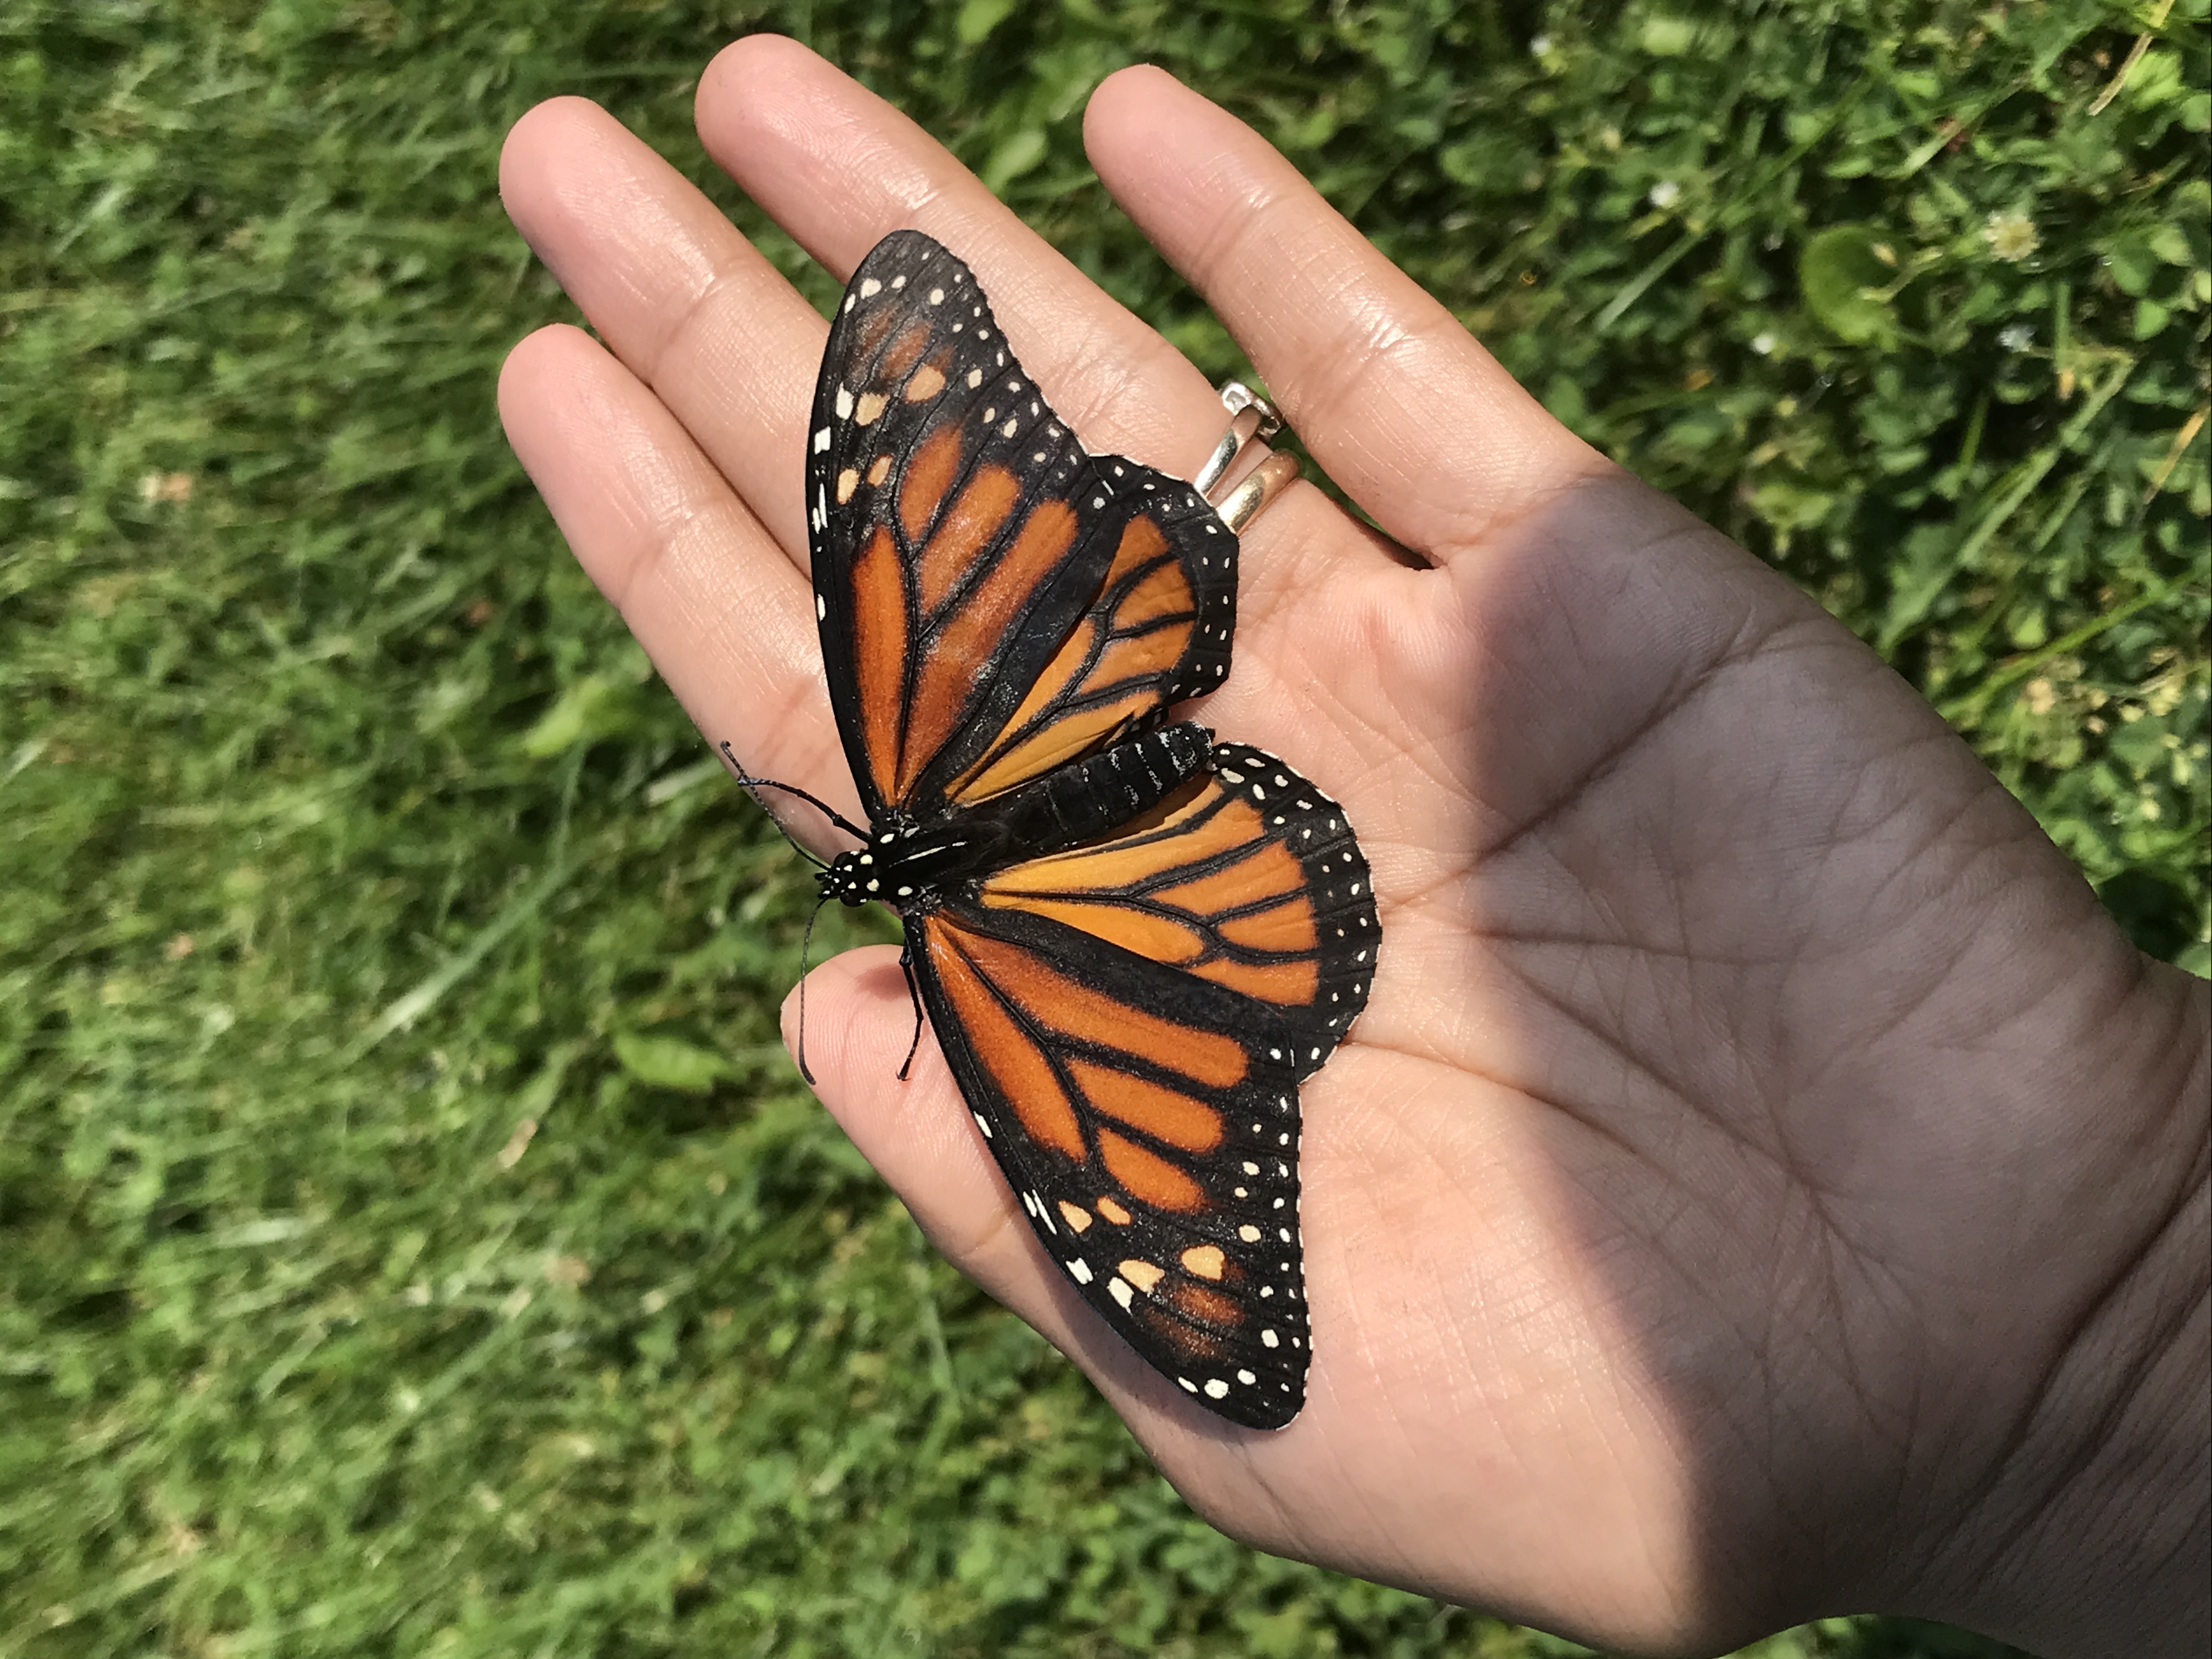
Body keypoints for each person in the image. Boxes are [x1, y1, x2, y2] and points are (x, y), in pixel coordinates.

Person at [495, 36, 2208, 1658]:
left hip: (1181, 893)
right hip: (1101, 723)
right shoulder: (908, 747)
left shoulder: (944, 909)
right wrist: (2098, 1343)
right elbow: (1146, 1184)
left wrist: (2120, 1323)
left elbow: (1125, 1152)